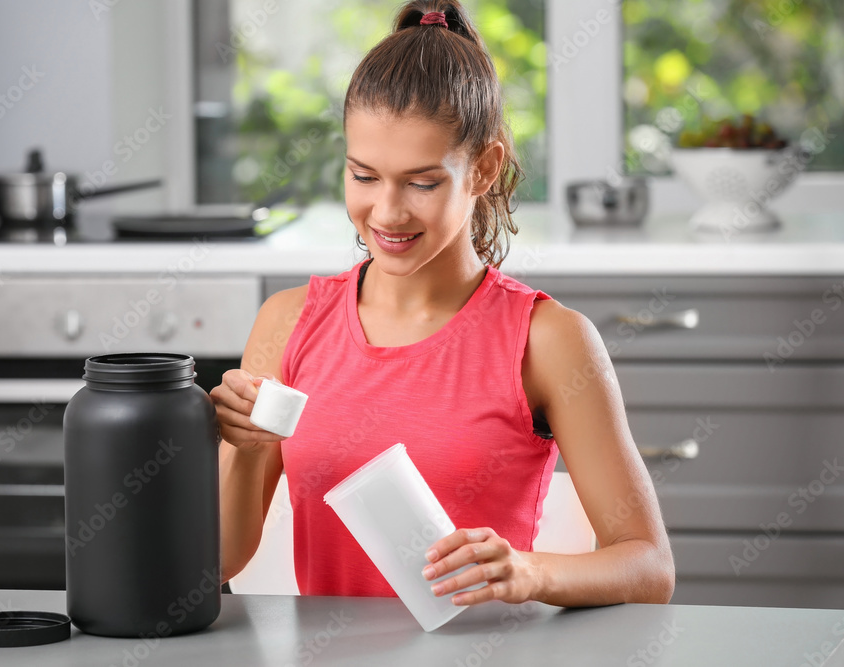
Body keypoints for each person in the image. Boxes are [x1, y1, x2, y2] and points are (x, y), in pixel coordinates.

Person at [209, 0, 675, 608]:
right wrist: (244, 451)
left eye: (423, 182)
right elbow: (217, 561)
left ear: (484, 169)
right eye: (364, 176)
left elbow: (648, 565)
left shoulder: (548, 339)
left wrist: (531, 573)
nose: (387, 213)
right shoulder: (288, 322)